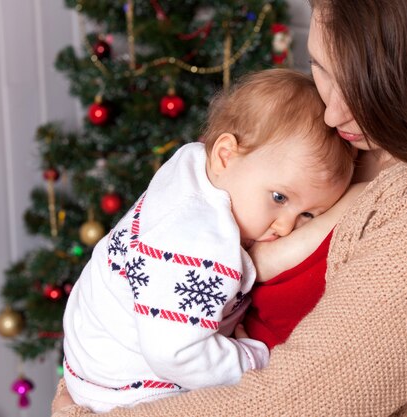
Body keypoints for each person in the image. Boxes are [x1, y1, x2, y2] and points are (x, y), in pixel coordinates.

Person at [52, 0, 407, 415]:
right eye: (320, 67)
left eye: (363, 87)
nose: (333, 109)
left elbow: (291, 403)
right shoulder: (339, 145)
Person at [61, 68, 354, 413]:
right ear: (225, 155)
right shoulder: (202, 242)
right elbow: (175, 352)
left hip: (93, 357)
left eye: (309, 215)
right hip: (126, 388)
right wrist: (255, 358)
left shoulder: (193, 168)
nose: (287, 226)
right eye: (278, 197)